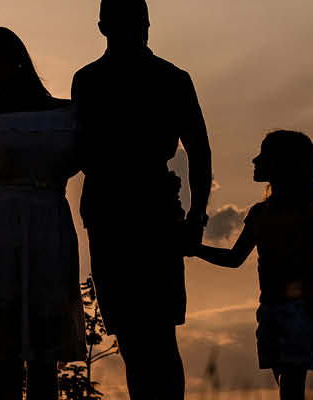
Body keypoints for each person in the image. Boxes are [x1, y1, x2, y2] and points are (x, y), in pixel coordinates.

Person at [70, 0, 211, 397]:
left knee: (153, 337)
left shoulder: (163, 78)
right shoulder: (94, 81)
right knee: (139, 338)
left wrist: (196, 218)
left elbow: (200, 151)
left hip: (144, 213)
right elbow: (200, 152)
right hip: (121, 213)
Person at [0, 27, 87, 400]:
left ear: (18, 63)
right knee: (6, 352)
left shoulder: (68, 115)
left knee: (45, 352)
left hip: (49, 231)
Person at [190, 130, 313, 400]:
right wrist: (195, 249)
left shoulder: (310, 209)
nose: (254, 160)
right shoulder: (259, 213)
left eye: (264, 154)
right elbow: (234, 259)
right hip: (269, 308)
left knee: (291, 386)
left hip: (302, 309)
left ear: (283, 163)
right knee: (286, 384)